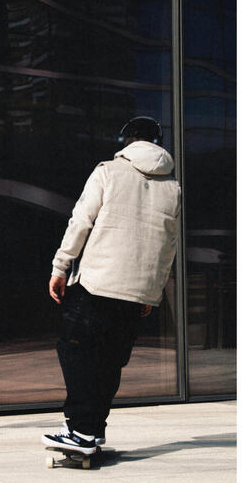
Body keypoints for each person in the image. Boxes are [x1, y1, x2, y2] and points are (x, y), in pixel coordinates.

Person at [42, 116, 181, 455]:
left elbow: (81, 221)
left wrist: (60, 266)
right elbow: (169, 244)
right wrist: (154, 288)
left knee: (75, 350)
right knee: (109, 360)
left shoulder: (108, 170)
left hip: (98, 283)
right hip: (138, 292)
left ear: (126, 141)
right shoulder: (173, 187)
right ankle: (91, 428)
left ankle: (82, 431)